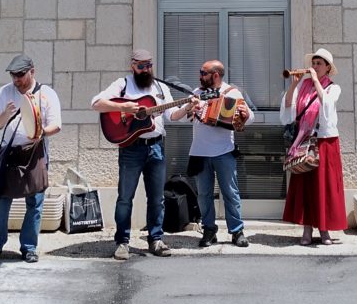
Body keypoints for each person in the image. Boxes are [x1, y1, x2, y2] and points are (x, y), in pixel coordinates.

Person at [92, 49, 198, 260]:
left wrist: (188, 106)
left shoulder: (161, 88)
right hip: (131, 148)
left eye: (148, 65)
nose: (145, 69)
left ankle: (156, 239)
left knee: (157, 198)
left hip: (156, 147)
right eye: (141, 66)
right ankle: (122, 242)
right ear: (133, 66)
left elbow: (173, 115)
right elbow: (96, 103)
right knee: (125, 198)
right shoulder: (122, 84)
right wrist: (127, 108)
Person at [0, 54, 61, 263]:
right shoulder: (5, 92)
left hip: (35, 152)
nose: (16, 79)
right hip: (9, 152)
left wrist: (41, 132)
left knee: (35, 202)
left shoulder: (46, 93)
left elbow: (56, 125)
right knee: (0, 201)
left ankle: (29, 248)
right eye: (13, 75)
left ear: (32, 72)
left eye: (20, 75)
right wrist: (6, 114)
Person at [169, 60, 253, 248]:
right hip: (200, 152)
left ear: (215, 75)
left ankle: (237, 231)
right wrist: (191, 109)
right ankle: (209, 230)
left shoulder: (232, 93)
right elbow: (183, 119)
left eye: (203, 73)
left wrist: (245, 114)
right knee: (204, 195)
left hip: (224, 152)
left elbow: (249, 117)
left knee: (230, 193)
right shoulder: (197, 94)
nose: (200, 76)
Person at [280, 48, 347, 245]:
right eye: (314, 62)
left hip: (325, 141)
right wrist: (293, 85)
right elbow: (288, 112)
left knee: (323, 185)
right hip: (304, 140)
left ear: (328, 68)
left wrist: (316, 81)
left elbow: (326, 104)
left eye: (319, 63)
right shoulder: (303, 86)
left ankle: (324, 229)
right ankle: (307, 229)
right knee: (305, 187)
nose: (315, 66)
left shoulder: (333, 88)